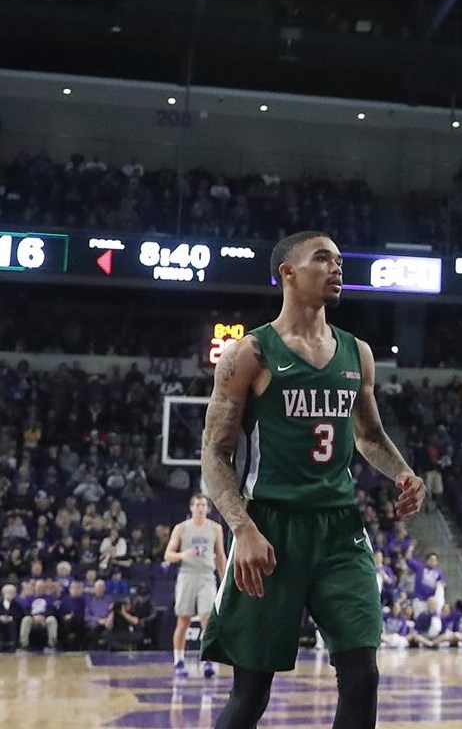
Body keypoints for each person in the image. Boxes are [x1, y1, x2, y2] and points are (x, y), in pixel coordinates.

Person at [199, 230, 426, 729]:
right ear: (287, 272)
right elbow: (216, 453)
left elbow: (369, 436)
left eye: (340, 260)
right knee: (251, 692)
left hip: (341, 529)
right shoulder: (250, 353)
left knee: (362, 673)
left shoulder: (357, 352)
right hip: (270, 529)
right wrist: (242, 529)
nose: (337, 267)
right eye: (323, 259)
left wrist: (403, 472)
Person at [163, 493, 225, 677]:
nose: (200, 508)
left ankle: (208, 661)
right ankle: (179, 661)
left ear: (208, 508)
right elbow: (168, 555)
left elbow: (220, 556)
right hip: (187, 575)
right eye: (197, 505)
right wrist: (183, 555)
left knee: (208, 619)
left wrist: (225, 580)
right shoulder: (181, 528)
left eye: (203, 505)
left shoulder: (215, 528)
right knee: (184, 620)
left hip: (207, 576)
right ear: (191, 508)